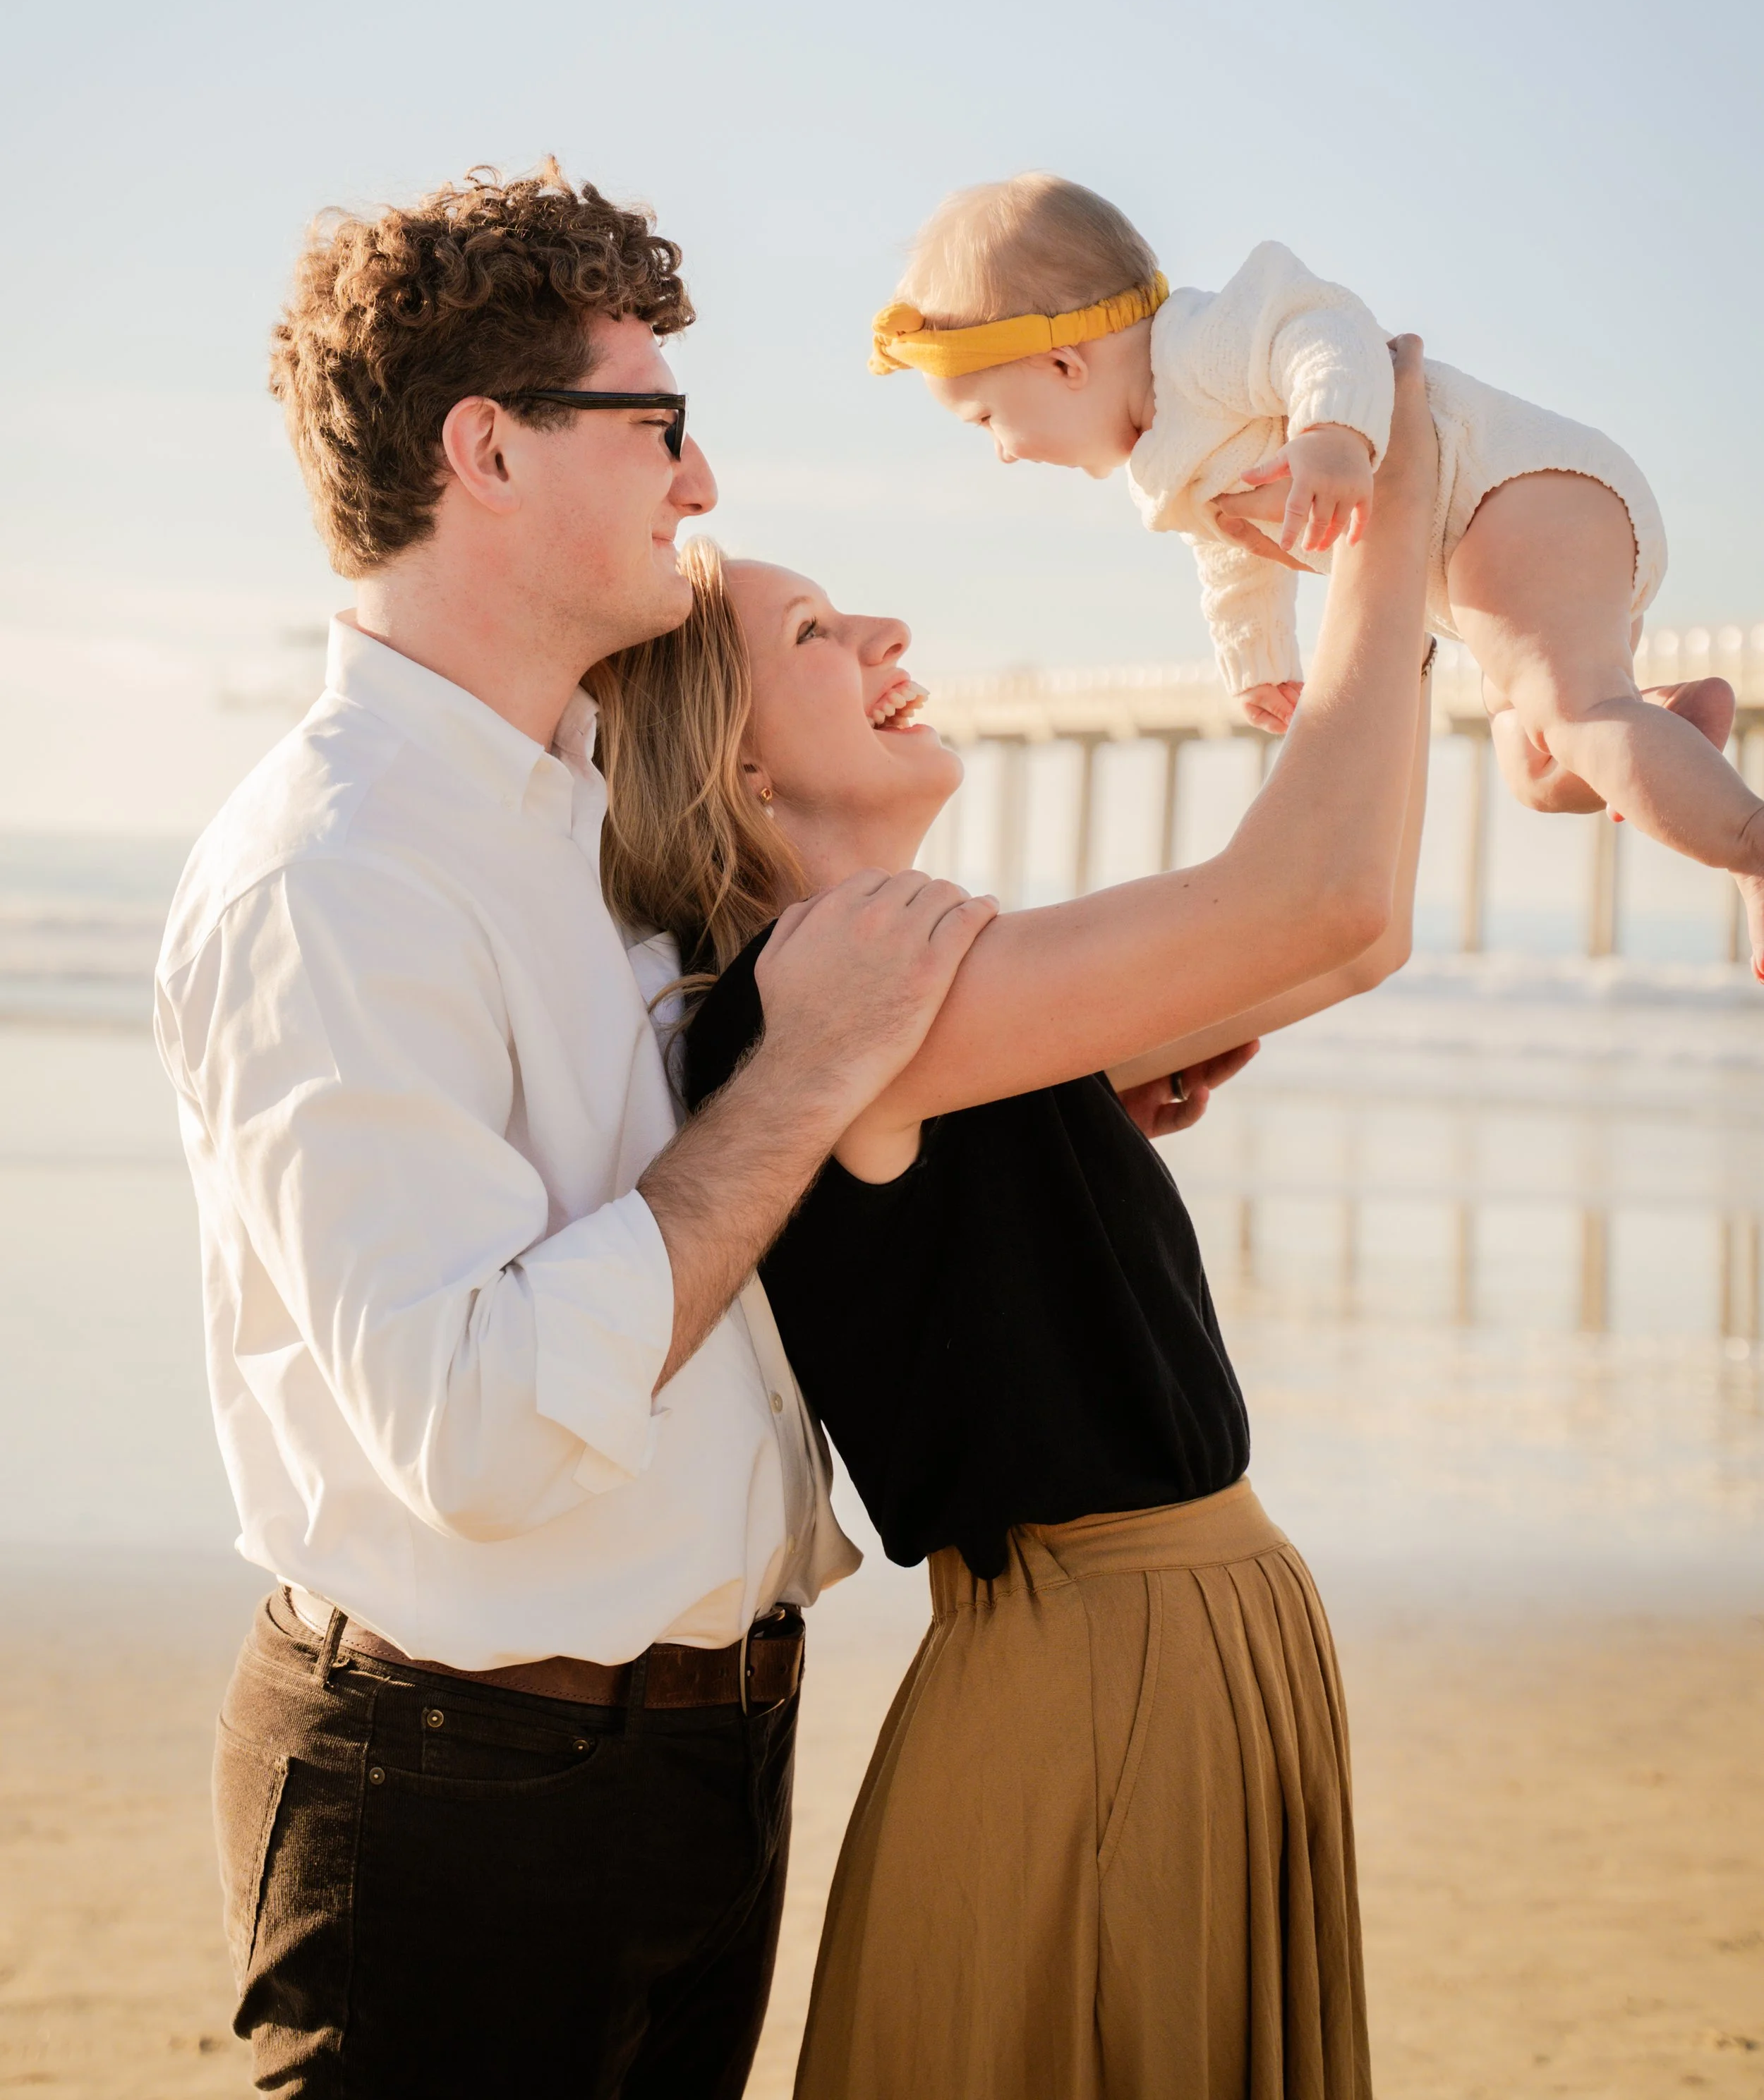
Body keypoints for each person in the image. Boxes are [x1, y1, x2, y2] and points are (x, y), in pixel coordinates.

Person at [152, 162, 998, 2099]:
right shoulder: (337, 876)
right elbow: (471, 1429)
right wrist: (798, 1075)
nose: (698, 485)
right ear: (490, 451)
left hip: (710, 1757)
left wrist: (1014, 1077)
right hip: (457, 1796)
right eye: (658, 424)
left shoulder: (605, 800)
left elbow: (753, 1148)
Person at [590, 340, 1439, 2099]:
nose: (888, 633)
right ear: (740, 773)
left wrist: (1397, 623)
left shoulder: (903, 970)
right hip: (1097, 1667)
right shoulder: (825, 989)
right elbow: (1323, 891)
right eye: (816, 634)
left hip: (1172, 1638)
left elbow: (1352, 937)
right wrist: (1399, 510)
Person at [869, 171, 1764, 970]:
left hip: (1517, 492)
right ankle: (1665, 727)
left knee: (1574, 715)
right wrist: (1257, 660)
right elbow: (1231, 557)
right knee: (1538, 772)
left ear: (1064, 365)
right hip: (1479, 562)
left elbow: (1323, 328)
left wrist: (1331, 432)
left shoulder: (1202, 343)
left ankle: (1750, 846)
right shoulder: (1171, 459)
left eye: (987, 421)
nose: (1001, 455)